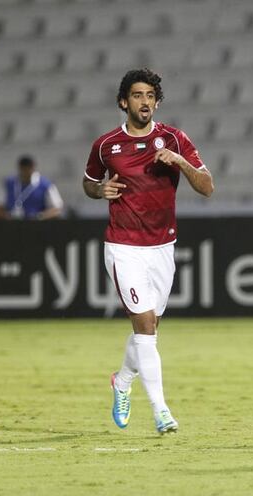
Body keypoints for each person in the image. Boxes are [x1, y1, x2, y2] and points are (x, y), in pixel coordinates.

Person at [82, 68, 214, 434]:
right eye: (138, 96)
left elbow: (207, 187)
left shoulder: (174, 138)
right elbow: (90, 183)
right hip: (124, 247)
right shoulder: (106, 145)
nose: (145, 102)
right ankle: (161, 411)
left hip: (162, 248)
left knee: (150, 327)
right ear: (124, 101)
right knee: (144, 329)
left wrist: (180, 162)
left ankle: (122, 381)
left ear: (157, 101)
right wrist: (100, 191)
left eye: (151, 96)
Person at [0, 155, 64, 220]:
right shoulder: (9, 183)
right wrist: (7, 216)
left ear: (33, 167)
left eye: (28, 168)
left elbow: (57, 208)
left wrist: (40, 216)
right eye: (23, 169)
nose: (26, 171)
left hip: (37, 225)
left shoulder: (45, 184)